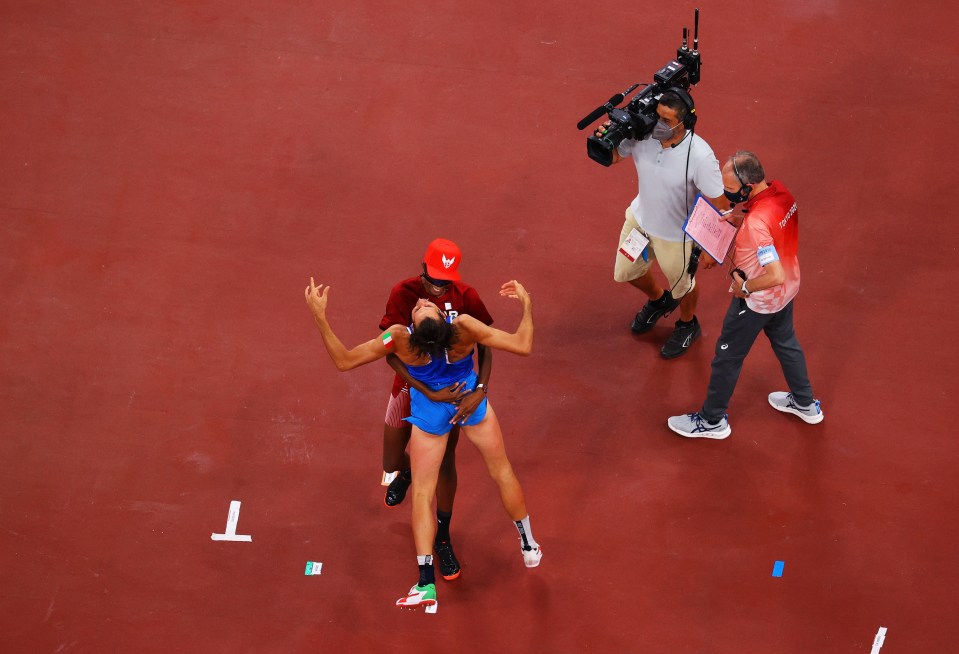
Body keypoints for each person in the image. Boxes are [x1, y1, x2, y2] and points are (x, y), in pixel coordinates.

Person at [305, 277, 542, 610]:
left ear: (415, 330)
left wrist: (320, 317)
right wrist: (527, 305)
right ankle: (528, 545)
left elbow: (345, 360)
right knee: (502, 472)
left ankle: (425, 582)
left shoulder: (401, 339)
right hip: (468, 402)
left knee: (421, 494)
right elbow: (523, 344)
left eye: (420, 307)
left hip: (430, 414)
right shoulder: (461, 327)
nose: (420, 303)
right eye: (422, 306)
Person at [667, 151, 824, 439]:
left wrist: (745, 288)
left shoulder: (756, 224)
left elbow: (772, 272)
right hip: (787, 290)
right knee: (787, 342)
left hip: (758, 300)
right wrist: (745, 220)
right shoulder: (780, 193)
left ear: (747, 187)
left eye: (729, 189)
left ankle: (712, 420)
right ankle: (805, 403)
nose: (726, 194)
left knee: (727, 358)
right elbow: (771, 233)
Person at [378, 238, 494, 583]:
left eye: (445, 281)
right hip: (413, 391)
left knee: (445, 464)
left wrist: (481, 389)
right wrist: (426, 389)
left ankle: (443, 537)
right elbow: (389, 351)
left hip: (451, 397)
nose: (439, 287)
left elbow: (486, 344)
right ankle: (410, 473)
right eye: (433, 279)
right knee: (390, 464)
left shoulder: (467, 297)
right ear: (422, 268)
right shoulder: (403, 294)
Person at [599, 88, 729, 358]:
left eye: (667, 121)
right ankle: (659, 300)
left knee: (684, 286)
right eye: (657, 116)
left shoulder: (700, 156)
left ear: (685, 123)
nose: (658, 124)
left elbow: (721, 206)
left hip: (676, 236)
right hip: (640, 222)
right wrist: (606, 140)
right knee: (625, 272)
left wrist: (711, 247)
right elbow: (613, 158)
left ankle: (687, 324)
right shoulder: (642, 134)